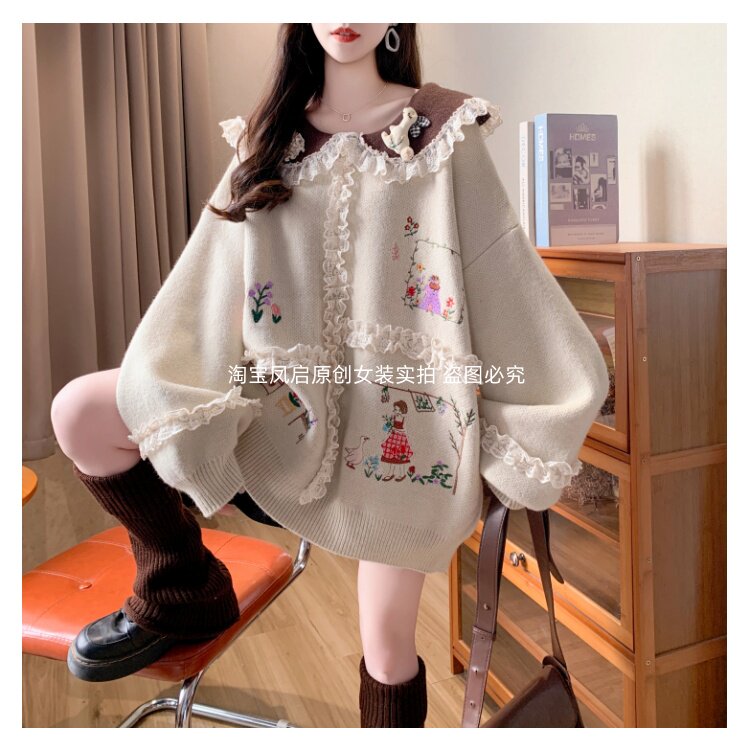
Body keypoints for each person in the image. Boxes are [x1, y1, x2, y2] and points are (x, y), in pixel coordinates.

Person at [51, 23, 610, 728]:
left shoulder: (440, 134)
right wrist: (189, 398)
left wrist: (518, 429)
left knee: (388, 649)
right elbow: (207, 281)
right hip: (277, 420)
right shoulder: (267, 139)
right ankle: (181, 583)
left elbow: (505, 280)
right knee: (79, 412)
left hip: (401, 451)